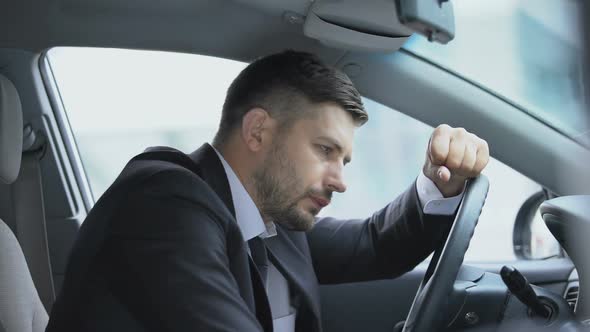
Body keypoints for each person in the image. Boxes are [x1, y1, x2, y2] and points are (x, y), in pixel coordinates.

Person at [45, 50, 489, 332]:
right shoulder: (163, 203)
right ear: (258, 130)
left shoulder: (271, 219)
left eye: (344, 160)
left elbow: (376, 244)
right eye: (324, 150)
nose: (340, 179)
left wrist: (438, 181)